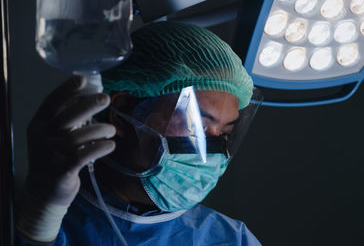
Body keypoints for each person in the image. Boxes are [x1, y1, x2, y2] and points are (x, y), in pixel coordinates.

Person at [16, 21, 262, 246]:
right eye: (196, 126)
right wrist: (39, 225)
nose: (212, 152)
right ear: (123, 111)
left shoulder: (231, 240)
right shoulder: (29, 215)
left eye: (225, 134)